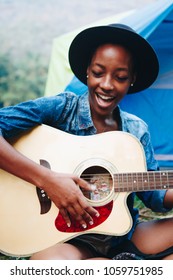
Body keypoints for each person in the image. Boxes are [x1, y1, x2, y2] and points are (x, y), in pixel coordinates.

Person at [0, 23, 173, 260]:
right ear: (87, 72)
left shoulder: (136, 130)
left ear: (132, 79)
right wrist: (48, 180)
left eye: (120, 77)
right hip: (67, 241)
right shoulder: (62, 109)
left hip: (122, 237)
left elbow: (155, 197)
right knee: (51, 266)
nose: (107, 84)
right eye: (99, 72)